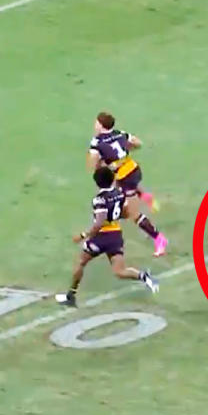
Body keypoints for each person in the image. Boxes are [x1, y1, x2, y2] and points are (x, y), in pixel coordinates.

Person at [54, 167, 158, 307]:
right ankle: (143, 276)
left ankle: (71, 296)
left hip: (101, 236)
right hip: (115, 234)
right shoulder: (119, 194)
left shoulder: (100, 200)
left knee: (80, 262)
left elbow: (99, 222)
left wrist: (83, 235)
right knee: (119, 271)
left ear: (97, 182)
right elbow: (126, 213)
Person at [87, 112, 168, 257]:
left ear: (100, 125)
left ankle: (159, 239)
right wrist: (123, 154)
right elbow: (138, 143)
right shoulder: (120, 133)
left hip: (124, 177)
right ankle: (148, 199)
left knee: (133, 214)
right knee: (123, 193)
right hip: (133, 169)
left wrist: (102, 165)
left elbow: (93, 165)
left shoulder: (97, 142)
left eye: (96, 122)